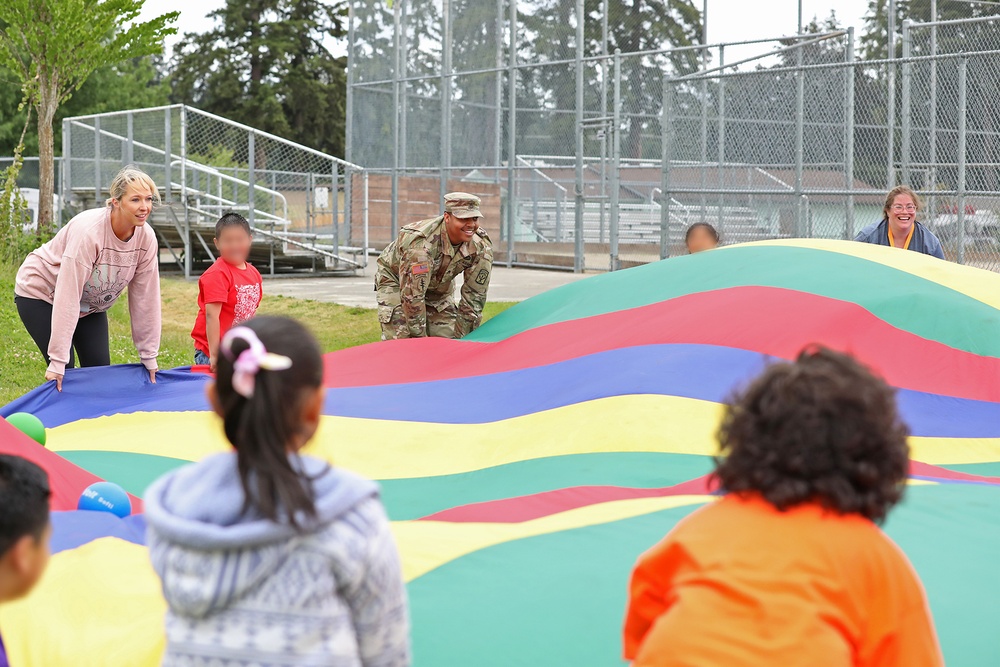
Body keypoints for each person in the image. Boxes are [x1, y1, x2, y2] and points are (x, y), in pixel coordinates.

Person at [623, 348, 943, 667]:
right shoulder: (876, 562)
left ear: (743, 440)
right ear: (880, 458)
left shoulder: (701, 531)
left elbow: (644, 624)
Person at [145, 316, 410, 666]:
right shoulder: (351, 517)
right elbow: (386, 652)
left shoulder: (175, 512)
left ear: (215, 401)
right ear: (315, 407)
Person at [14, 164, 162, 392]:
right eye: (135, 200)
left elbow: (146, 298)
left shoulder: (146, 239)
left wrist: (149, 355)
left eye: (148, 199)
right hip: (42, 293)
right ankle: (64, 423)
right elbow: (68, 293)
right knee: (67, 373)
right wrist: (58, 360)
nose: (144, 207)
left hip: (89, 305)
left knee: (100, 373)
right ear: (116, 202)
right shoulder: (89, 232)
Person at [375, 192, 493, 340]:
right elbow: (412, 297)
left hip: (438, 285)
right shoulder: (421, 246)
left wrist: (463, 342)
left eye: (474, 218)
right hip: (397, 281)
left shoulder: (481, 246)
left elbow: (474, 297)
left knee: (448, 341)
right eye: (463, 218)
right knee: (404, 342)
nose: (470, 224)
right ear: (447, 217)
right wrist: (420, 340)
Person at [190, 212, 263, 372]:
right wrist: (215, 356)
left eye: (240, 240)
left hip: (237, 352)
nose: (235, 246)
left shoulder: (254, 274)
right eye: (228, 241)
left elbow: (250, 314)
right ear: (217, 243)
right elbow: (211, 316)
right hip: (213, 354)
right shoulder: (217, 274)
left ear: (249, 239)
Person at [854, 185, 945, 259]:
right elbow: (851, 266)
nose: (905, 212)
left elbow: (941, 275)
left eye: (909, 207)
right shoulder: (868, 238)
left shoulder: (930, 243)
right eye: (898, 207)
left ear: (916, 209)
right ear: (888, 211)